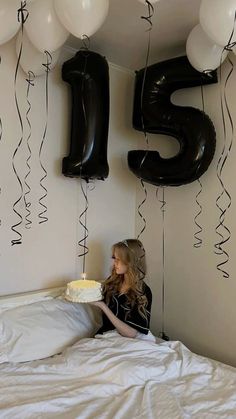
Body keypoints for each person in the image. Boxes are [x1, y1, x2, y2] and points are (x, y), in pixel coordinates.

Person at [91, 239, 155, 341]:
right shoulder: (112, 283)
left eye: (118, 259)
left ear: (130, 262)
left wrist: (103, 307)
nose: (114, 263)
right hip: (109, 335)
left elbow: (132, 334)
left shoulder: (143, 292)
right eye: (114, 258)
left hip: (135, 340)